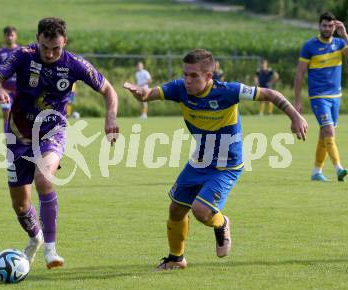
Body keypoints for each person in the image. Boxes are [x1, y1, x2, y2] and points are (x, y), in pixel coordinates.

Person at [124, 49, 307, 271]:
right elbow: (150, 93)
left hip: (226, 165)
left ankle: (222, 223)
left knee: (201, 211)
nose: (188, 80)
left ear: (209, 77)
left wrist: (295, 116)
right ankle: (176, 258)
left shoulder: (229, 91)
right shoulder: (179, 89)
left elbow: (270, 94)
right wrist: (142, 93)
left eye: (194, 76)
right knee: (176, 209)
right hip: (200, 160)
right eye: (185, 74)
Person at [0, 17, 119, 269]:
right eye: (45, 47)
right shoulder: (22, 56)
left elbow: (109, 90)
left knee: (44, 179)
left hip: (52, 131)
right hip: (18, 134)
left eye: (56, 48)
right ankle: (35, 238)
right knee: (20, 205)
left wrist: (110, 117)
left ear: (64, 42)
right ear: (38, 39)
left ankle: (51, 250)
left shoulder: (75, 64)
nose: (50, 53)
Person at [294, 11, 348, 182]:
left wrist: (345, 34)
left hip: (336, 96)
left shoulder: (340, 44)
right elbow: (300, 74)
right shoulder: (309, 46)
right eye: (324, 25)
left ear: (335, 26)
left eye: (330, 26)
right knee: (329, 130)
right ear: (319, 26)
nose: (327, 29)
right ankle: (339, 168)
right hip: (319, 97)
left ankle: (316, 171)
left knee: (324, 133)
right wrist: (297, 101)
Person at [0, 26, 20, 132]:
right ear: (4, 37)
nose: (10, 37)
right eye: (7, 35)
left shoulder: (21, 51)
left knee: (21, 115)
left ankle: (22, 140)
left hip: (20, 90)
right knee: (6, 112)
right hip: (5, 91)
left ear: (16, 36)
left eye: (12, 35)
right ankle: (8, 137)